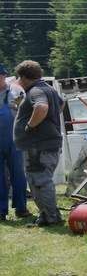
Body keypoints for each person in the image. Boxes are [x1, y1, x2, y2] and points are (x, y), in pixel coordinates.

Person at [13, 60, 64, 226]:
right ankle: (46, 214)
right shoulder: (49, 89)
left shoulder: (35, 91)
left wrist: (29, 126)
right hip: (45, 144)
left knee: (40, 181)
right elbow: (61, 105)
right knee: (38, 181)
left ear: (23, 77)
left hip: (39, 146)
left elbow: (41, 108)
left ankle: (51, 217)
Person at [0, 64, 30, 220]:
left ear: (4, 76)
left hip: (15, 140)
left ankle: (21, 208)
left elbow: (25, 113)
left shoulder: (16, 92)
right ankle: (1, 210)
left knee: (18, 174)